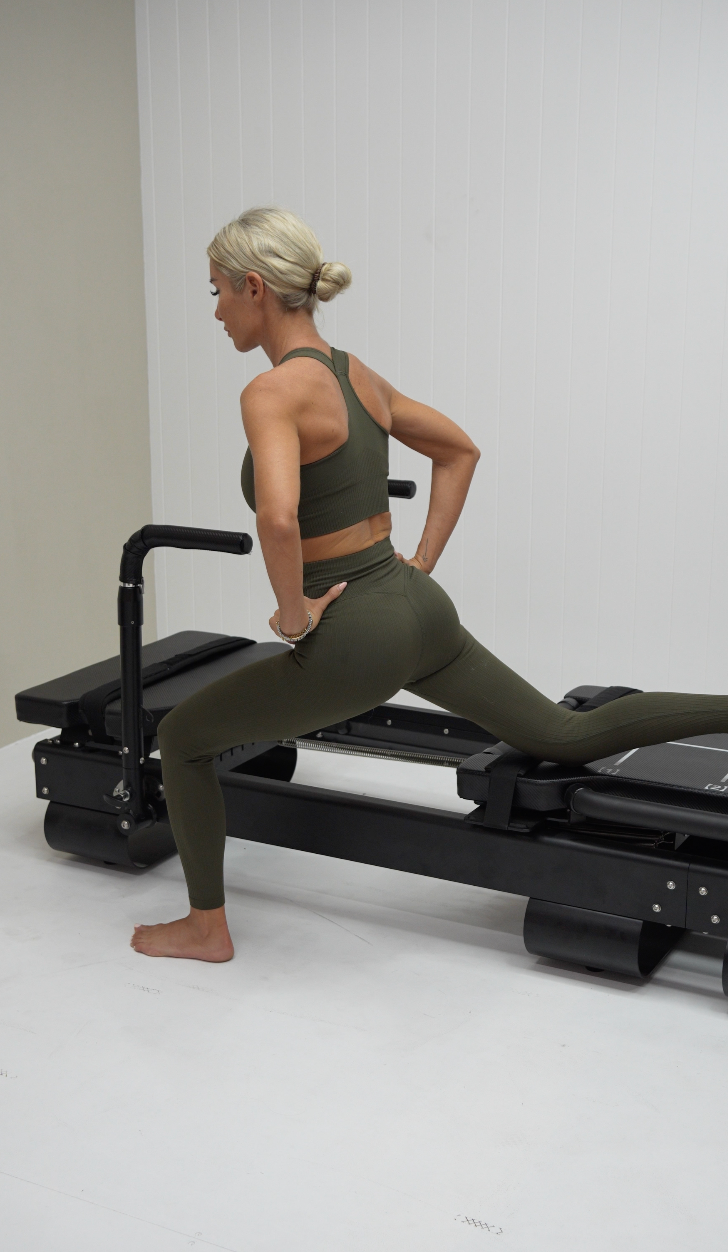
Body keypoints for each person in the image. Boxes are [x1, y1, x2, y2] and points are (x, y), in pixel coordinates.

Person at [131, 206, 728, 961]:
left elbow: (277, 518)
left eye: (217, 290)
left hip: (356, 635)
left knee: (183, 736)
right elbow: (459, 450)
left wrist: (293, 615)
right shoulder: (356, 376)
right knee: (563, 735)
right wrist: (420, 561)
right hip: (418, 608)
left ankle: (206, 927)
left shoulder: (271, 392)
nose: (215, 310)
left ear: (254, 287)